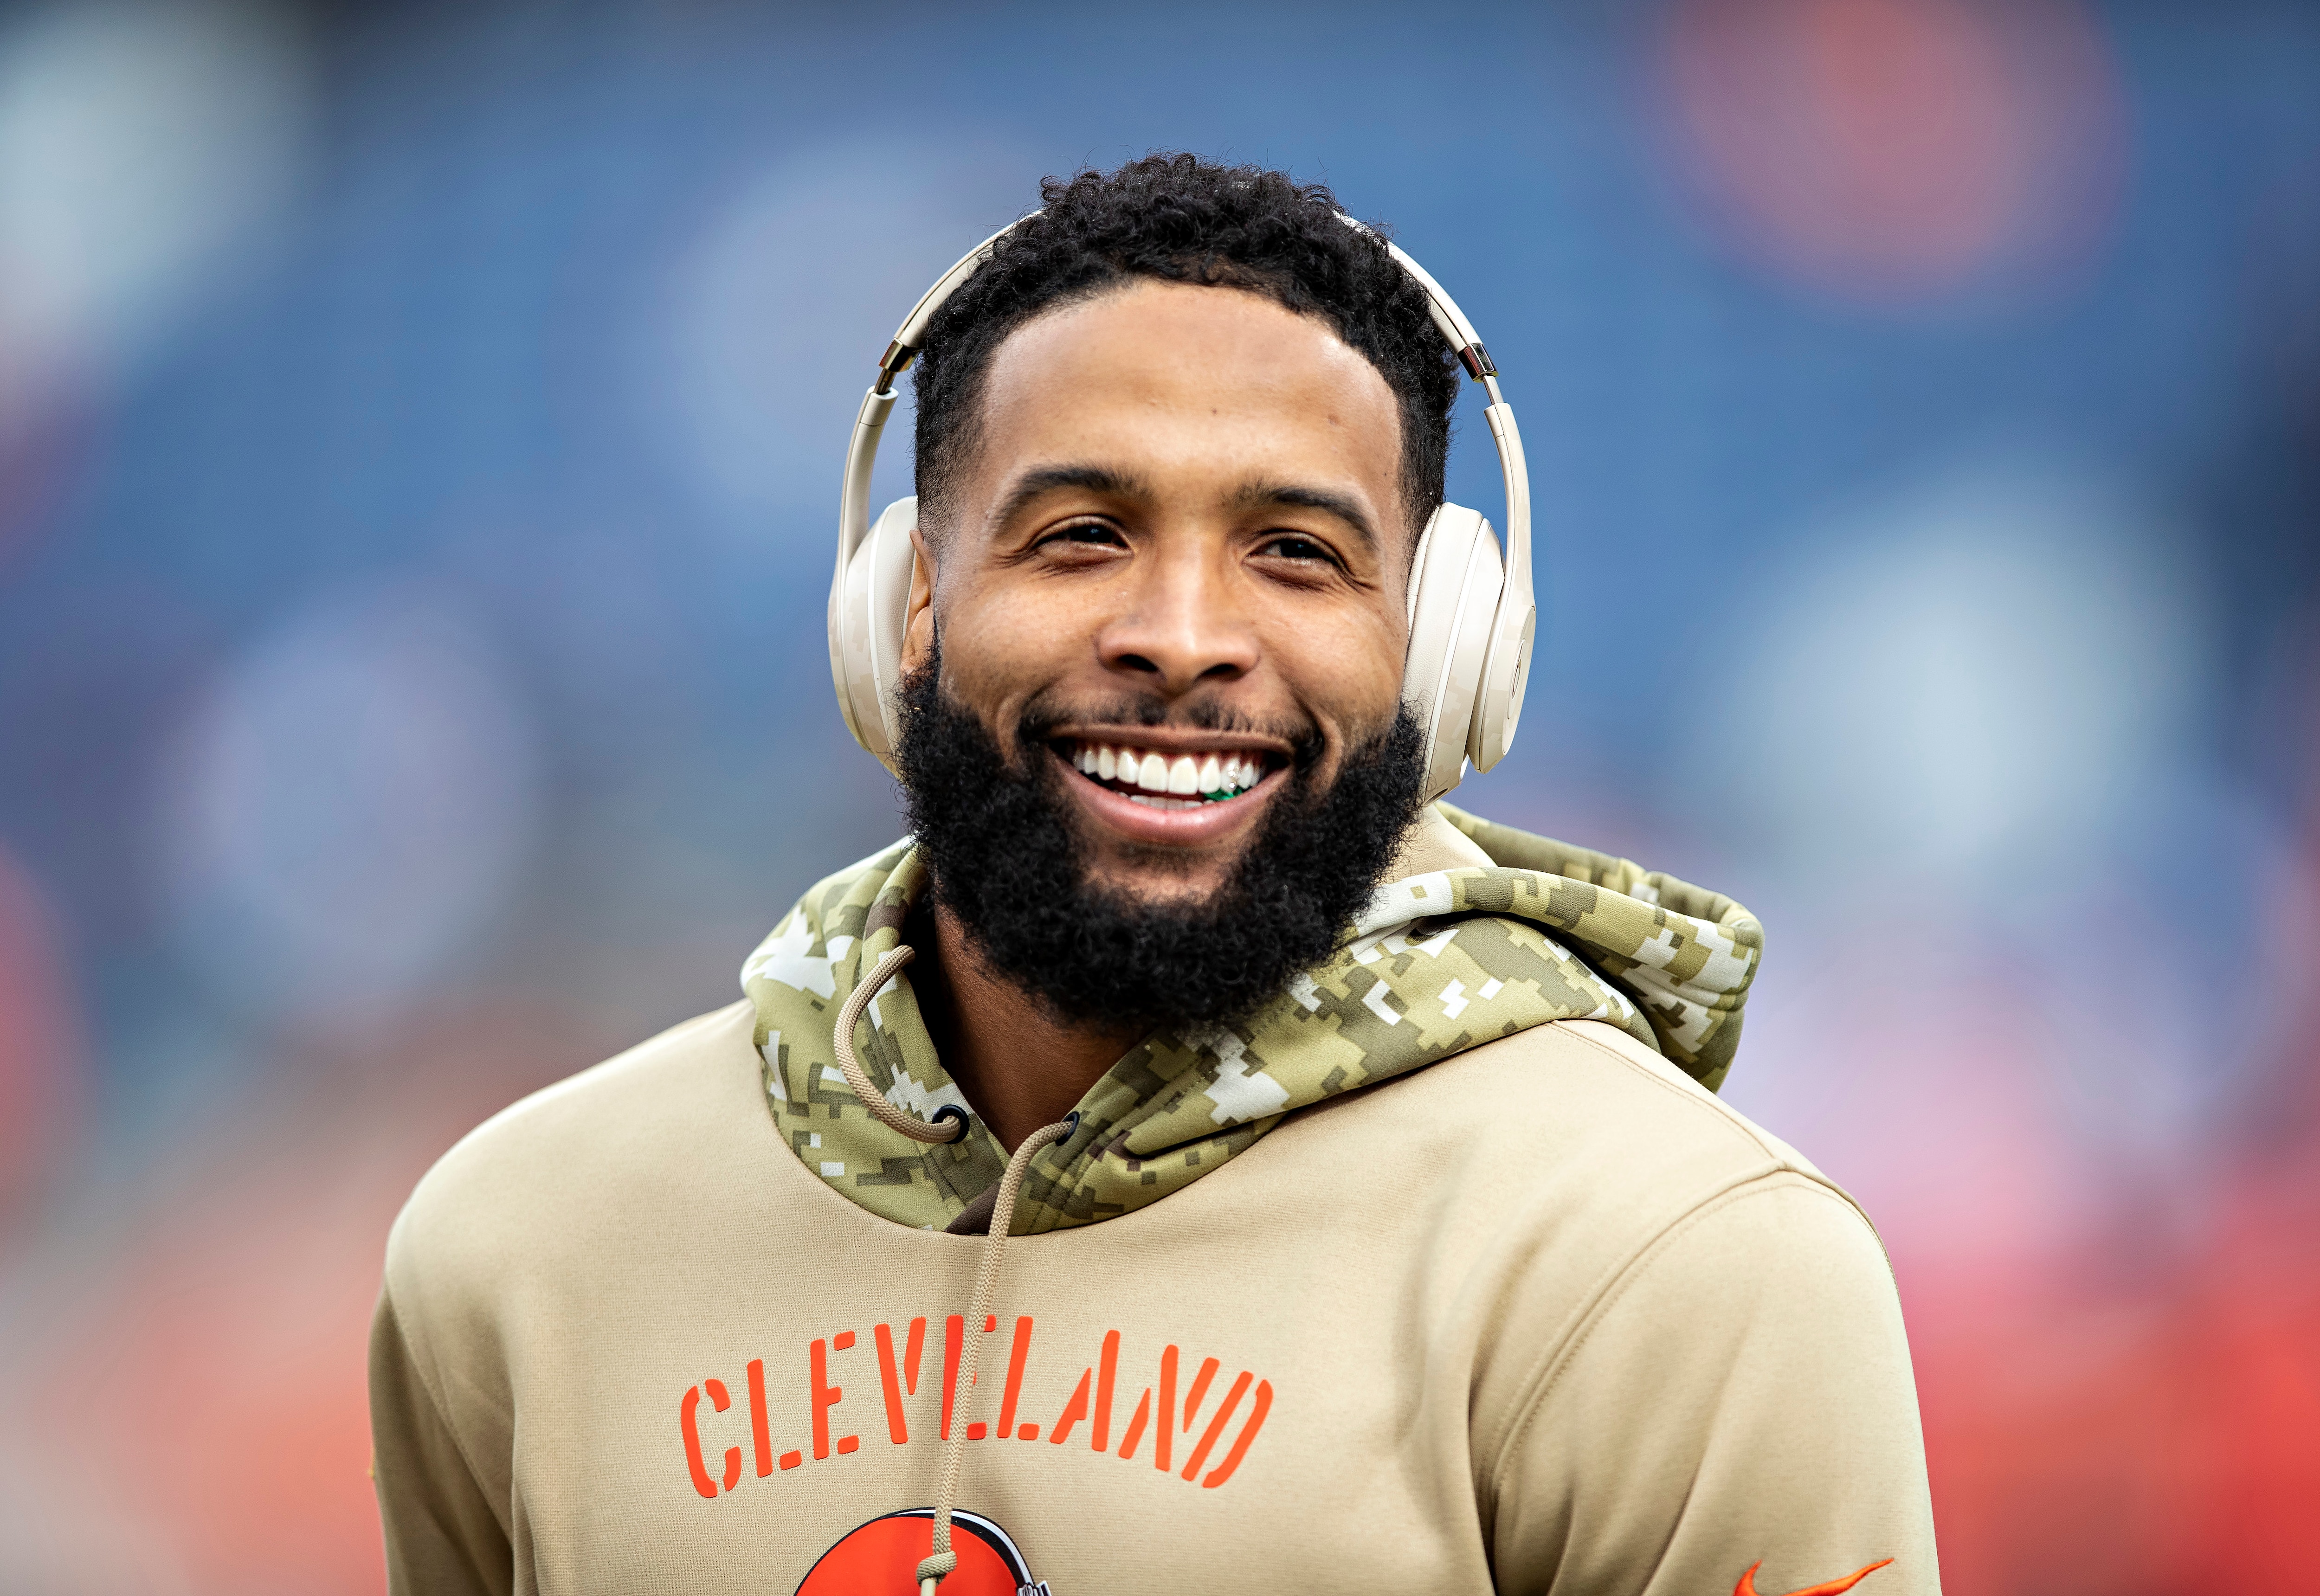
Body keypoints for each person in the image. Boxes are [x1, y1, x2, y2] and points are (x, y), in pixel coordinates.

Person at [369, 154, 1940, 1596]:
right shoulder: (518, 1251)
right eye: (1080, 534)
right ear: (906, 607)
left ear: (1443, 651)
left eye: (1296, 552)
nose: (1182, 638)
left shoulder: (1678, 1263)